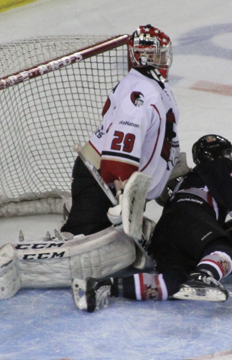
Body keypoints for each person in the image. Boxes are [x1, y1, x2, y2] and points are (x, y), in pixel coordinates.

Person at [70, 134, 232, 312]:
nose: (230, 159)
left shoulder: (192, 178)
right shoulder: (220, 167)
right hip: (190, 217)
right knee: (226, 253)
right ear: (221, 156)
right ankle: (203, 276)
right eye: (227, 154)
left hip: (167, 231)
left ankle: (105, 285)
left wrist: (227, 232)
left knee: (172, 284)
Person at [61, 24, 183, 236]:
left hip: (117, 182)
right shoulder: (140, 92)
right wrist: (123, 195)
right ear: (145, 58)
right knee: (81, 237)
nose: (165, 60)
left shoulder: (156, 85)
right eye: (160, 55)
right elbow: (121, 151)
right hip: (101, 180)